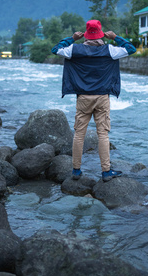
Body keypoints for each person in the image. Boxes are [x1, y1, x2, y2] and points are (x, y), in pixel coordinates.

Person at [51, 19, 136, 182]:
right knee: (103, 134)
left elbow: (55, 49)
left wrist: (72, 38)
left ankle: (76, 171)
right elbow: (131, 49)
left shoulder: (74, 50)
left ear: (86, 34)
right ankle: (105, 172)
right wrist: (116, 37)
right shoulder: (110, 50)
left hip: (83, 97)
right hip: (102, 97)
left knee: (79, 134)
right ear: (100, 34)